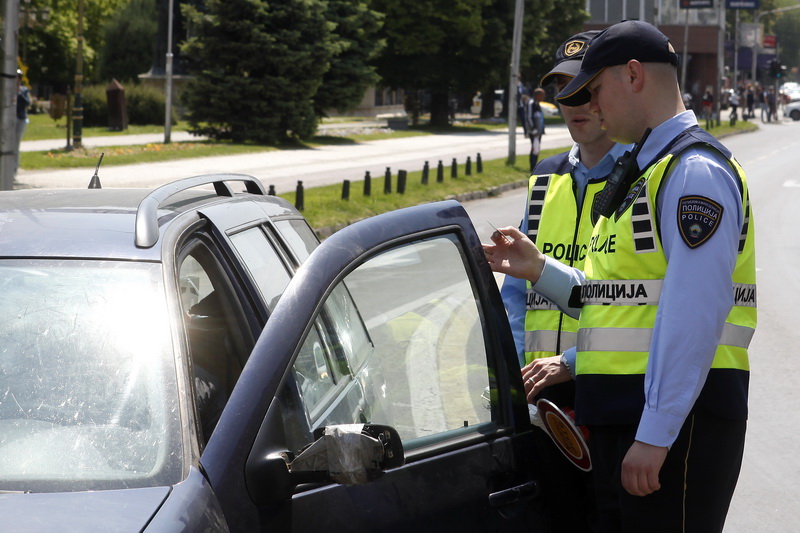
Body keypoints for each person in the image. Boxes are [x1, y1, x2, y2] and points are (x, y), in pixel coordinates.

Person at [484, 20, 756, 533]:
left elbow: (693, 315)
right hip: (621, 416)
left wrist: (655, 435)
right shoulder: (644, 171)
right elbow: (618, 298)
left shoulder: (693, 172)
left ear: (633, 76)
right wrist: (539, 271)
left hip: (671, 424)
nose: (589, 104)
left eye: (596, 87)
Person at [500, 29, 631, 532]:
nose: (571, 104)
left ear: (608, 92)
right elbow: (516, 291)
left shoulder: (641, 177)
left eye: (583, 91)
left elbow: (636, 299)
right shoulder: (545, 176)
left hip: (605, 392)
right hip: (541, 401)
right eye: (561, 92)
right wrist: (516, 375)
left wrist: (574, 364)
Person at [523, 87, 546, 171]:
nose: (544, 97)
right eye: (542, 95)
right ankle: (532, 168)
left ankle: (535, 166)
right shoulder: (531, 103)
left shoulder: (537, 104)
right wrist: (533, 129)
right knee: (534, 149)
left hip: (538, 132)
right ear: (537, 95)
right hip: (534, 132)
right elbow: (528, 117)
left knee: (536, 149)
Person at [15, 69, 30, 175]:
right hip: (8, 121)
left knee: (15, 145)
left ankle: (14, 169)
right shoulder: (5, 89)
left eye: (18, 77)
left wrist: (18, 91)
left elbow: (26, 102)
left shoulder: (24, 90)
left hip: (20, 119)